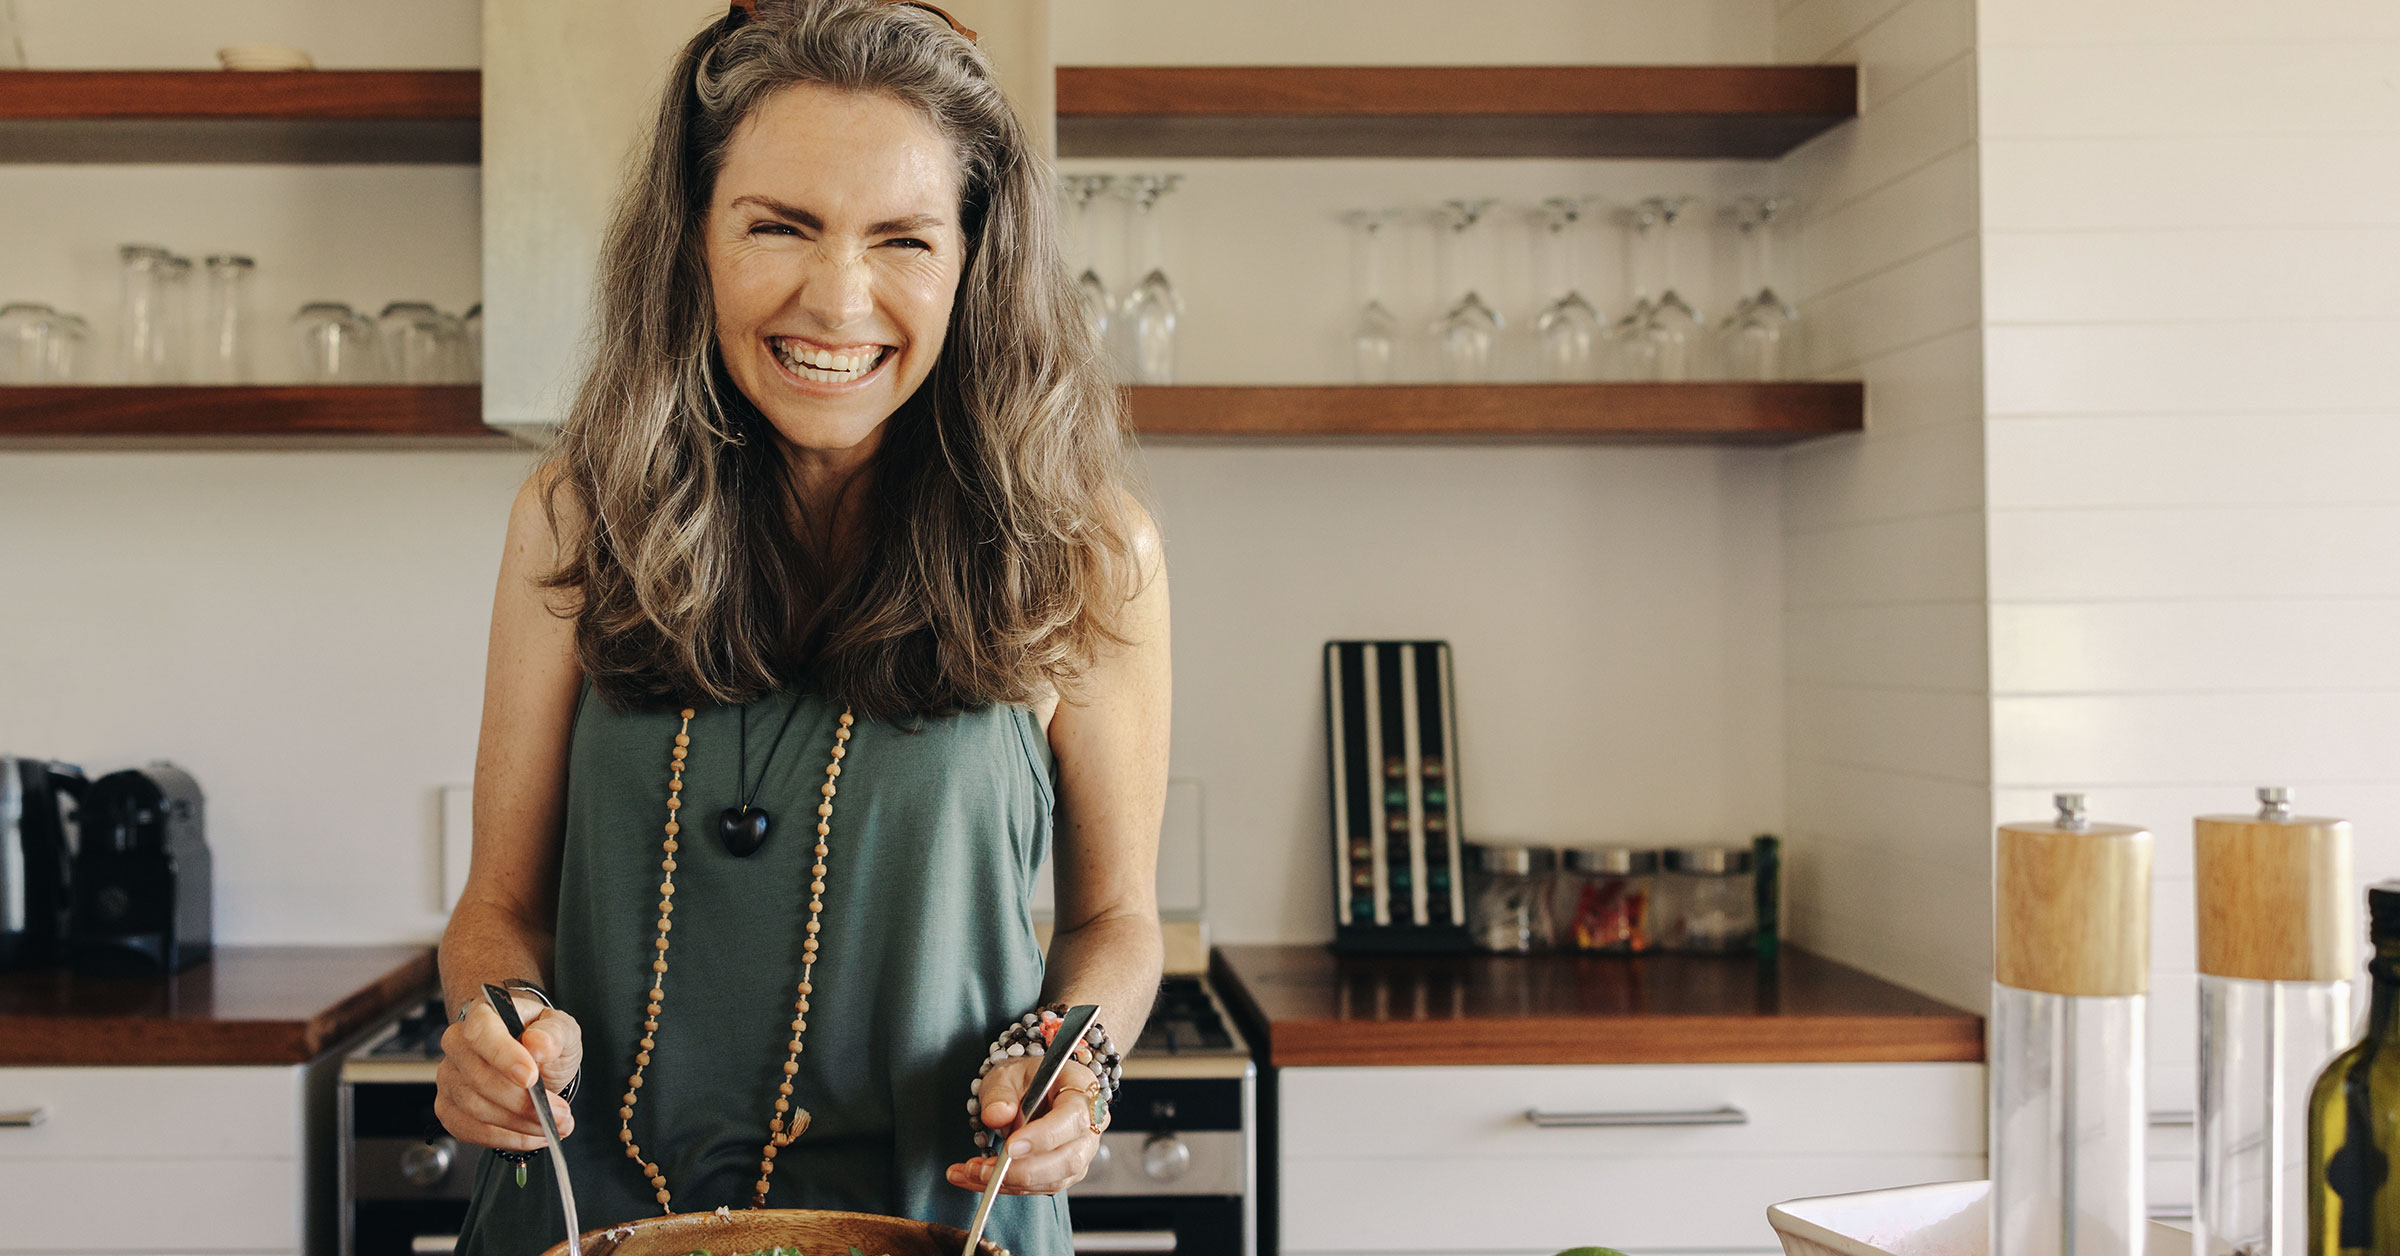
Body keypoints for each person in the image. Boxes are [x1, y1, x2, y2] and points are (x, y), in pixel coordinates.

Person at [433, 2, 1168, 1252]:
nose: (839, 299)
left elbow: (1116, 922)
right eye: (778, 225)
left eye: (904, 240)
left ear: (973, 260)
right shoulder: (574, 514)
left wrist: (1076, 1058)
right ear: (696, 240)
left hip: (942, 1215)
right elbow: (497, 907)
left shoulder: (1084, 544)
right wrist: (497, 1025)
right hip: (587, 1219)